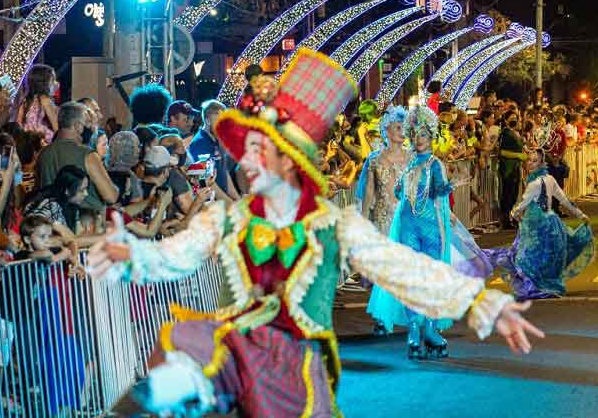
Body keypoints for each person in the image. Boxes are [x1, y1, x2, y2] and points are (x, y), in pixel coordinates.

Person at [90, 49, 543, 416]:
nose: (244, 162)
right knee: (194, 341)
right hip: (243, 363)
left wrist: (481, 301)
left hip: (300, 379)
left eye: (256, 151)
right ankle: (184, 386)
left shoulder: (333, 225)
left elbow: (404, 268)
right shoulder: (226, 219)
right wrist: (130, 253)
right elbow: (174, 254)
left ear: (288, 159)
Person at [366, 105, 493, 360]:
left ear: (431, 136)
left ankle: (431, 328)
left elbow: (437, 191)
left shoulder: (435, 164)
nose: (417, 139)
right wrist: (406, 187)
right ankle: (414, 328)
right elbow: (400, 193)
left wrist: (451, 185)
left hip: (432, 228)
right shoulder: (410, 164)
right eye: (414, 134)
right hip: (408, 225)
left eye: (423, 134)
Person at [489, 148, 593, 299]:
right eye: (529, 160)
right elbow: (565, 200)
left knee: (524, 257)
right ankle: (543, 285)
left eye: (534, 161)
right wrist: (581, 215)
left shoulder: (534, 184)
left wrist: (513, 214)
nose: (530, 164)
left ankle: (536, 287)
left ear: (541, 163)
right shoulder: (549, 179)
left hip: (536, 226)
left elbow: (523, 204)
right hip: (551, 224)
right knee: (545, 257)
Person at [36, 101, 120, 207]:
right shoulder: (87, 155)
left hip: (53, 218)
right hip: (86, 220)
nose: (92, 127)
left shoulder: (43, 153)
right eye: (88, 122)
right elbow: (111, 196)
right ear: (77, 126)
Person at [355, 107, 413, 239]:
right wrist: (363, 219)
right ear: (386, 130)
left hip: (406, 220)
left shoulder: (412, 158)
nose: (402, 131)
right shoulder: (374, 159)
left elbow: (421, 188)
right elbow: (369, 190)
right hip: (382, 222)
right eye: (398, 127)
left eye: (404, 127)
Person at [187, 100, 234, 195]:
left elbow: (224, 173)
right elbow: (209, 183)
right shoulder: (200, 143)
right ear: (208, 120)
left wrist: (237, 198)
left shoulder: (216, 140)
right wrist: (230, 203)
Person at [14, 64, 59, 144]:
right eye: (52, 80)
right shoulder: (45, 100)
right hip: (42, 140)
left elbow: (19, 122)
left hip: (27, 139)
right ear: (44, 83)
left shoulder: (26, 99)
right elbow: (56, 127)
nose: (56, 83)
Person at [498, 113, 527, 229]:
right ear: (506, 120)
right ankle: (506, 219)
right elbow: (502, 152)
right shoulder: (506, 133)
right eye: (512, 119)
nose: (515, 121)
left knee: (514, 194)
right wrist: (518, 155)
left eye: (516, 119)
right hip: (508, 168)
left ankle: (511, 217)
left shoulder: (515, 134)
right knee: (508, 194)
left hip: (516, 167)